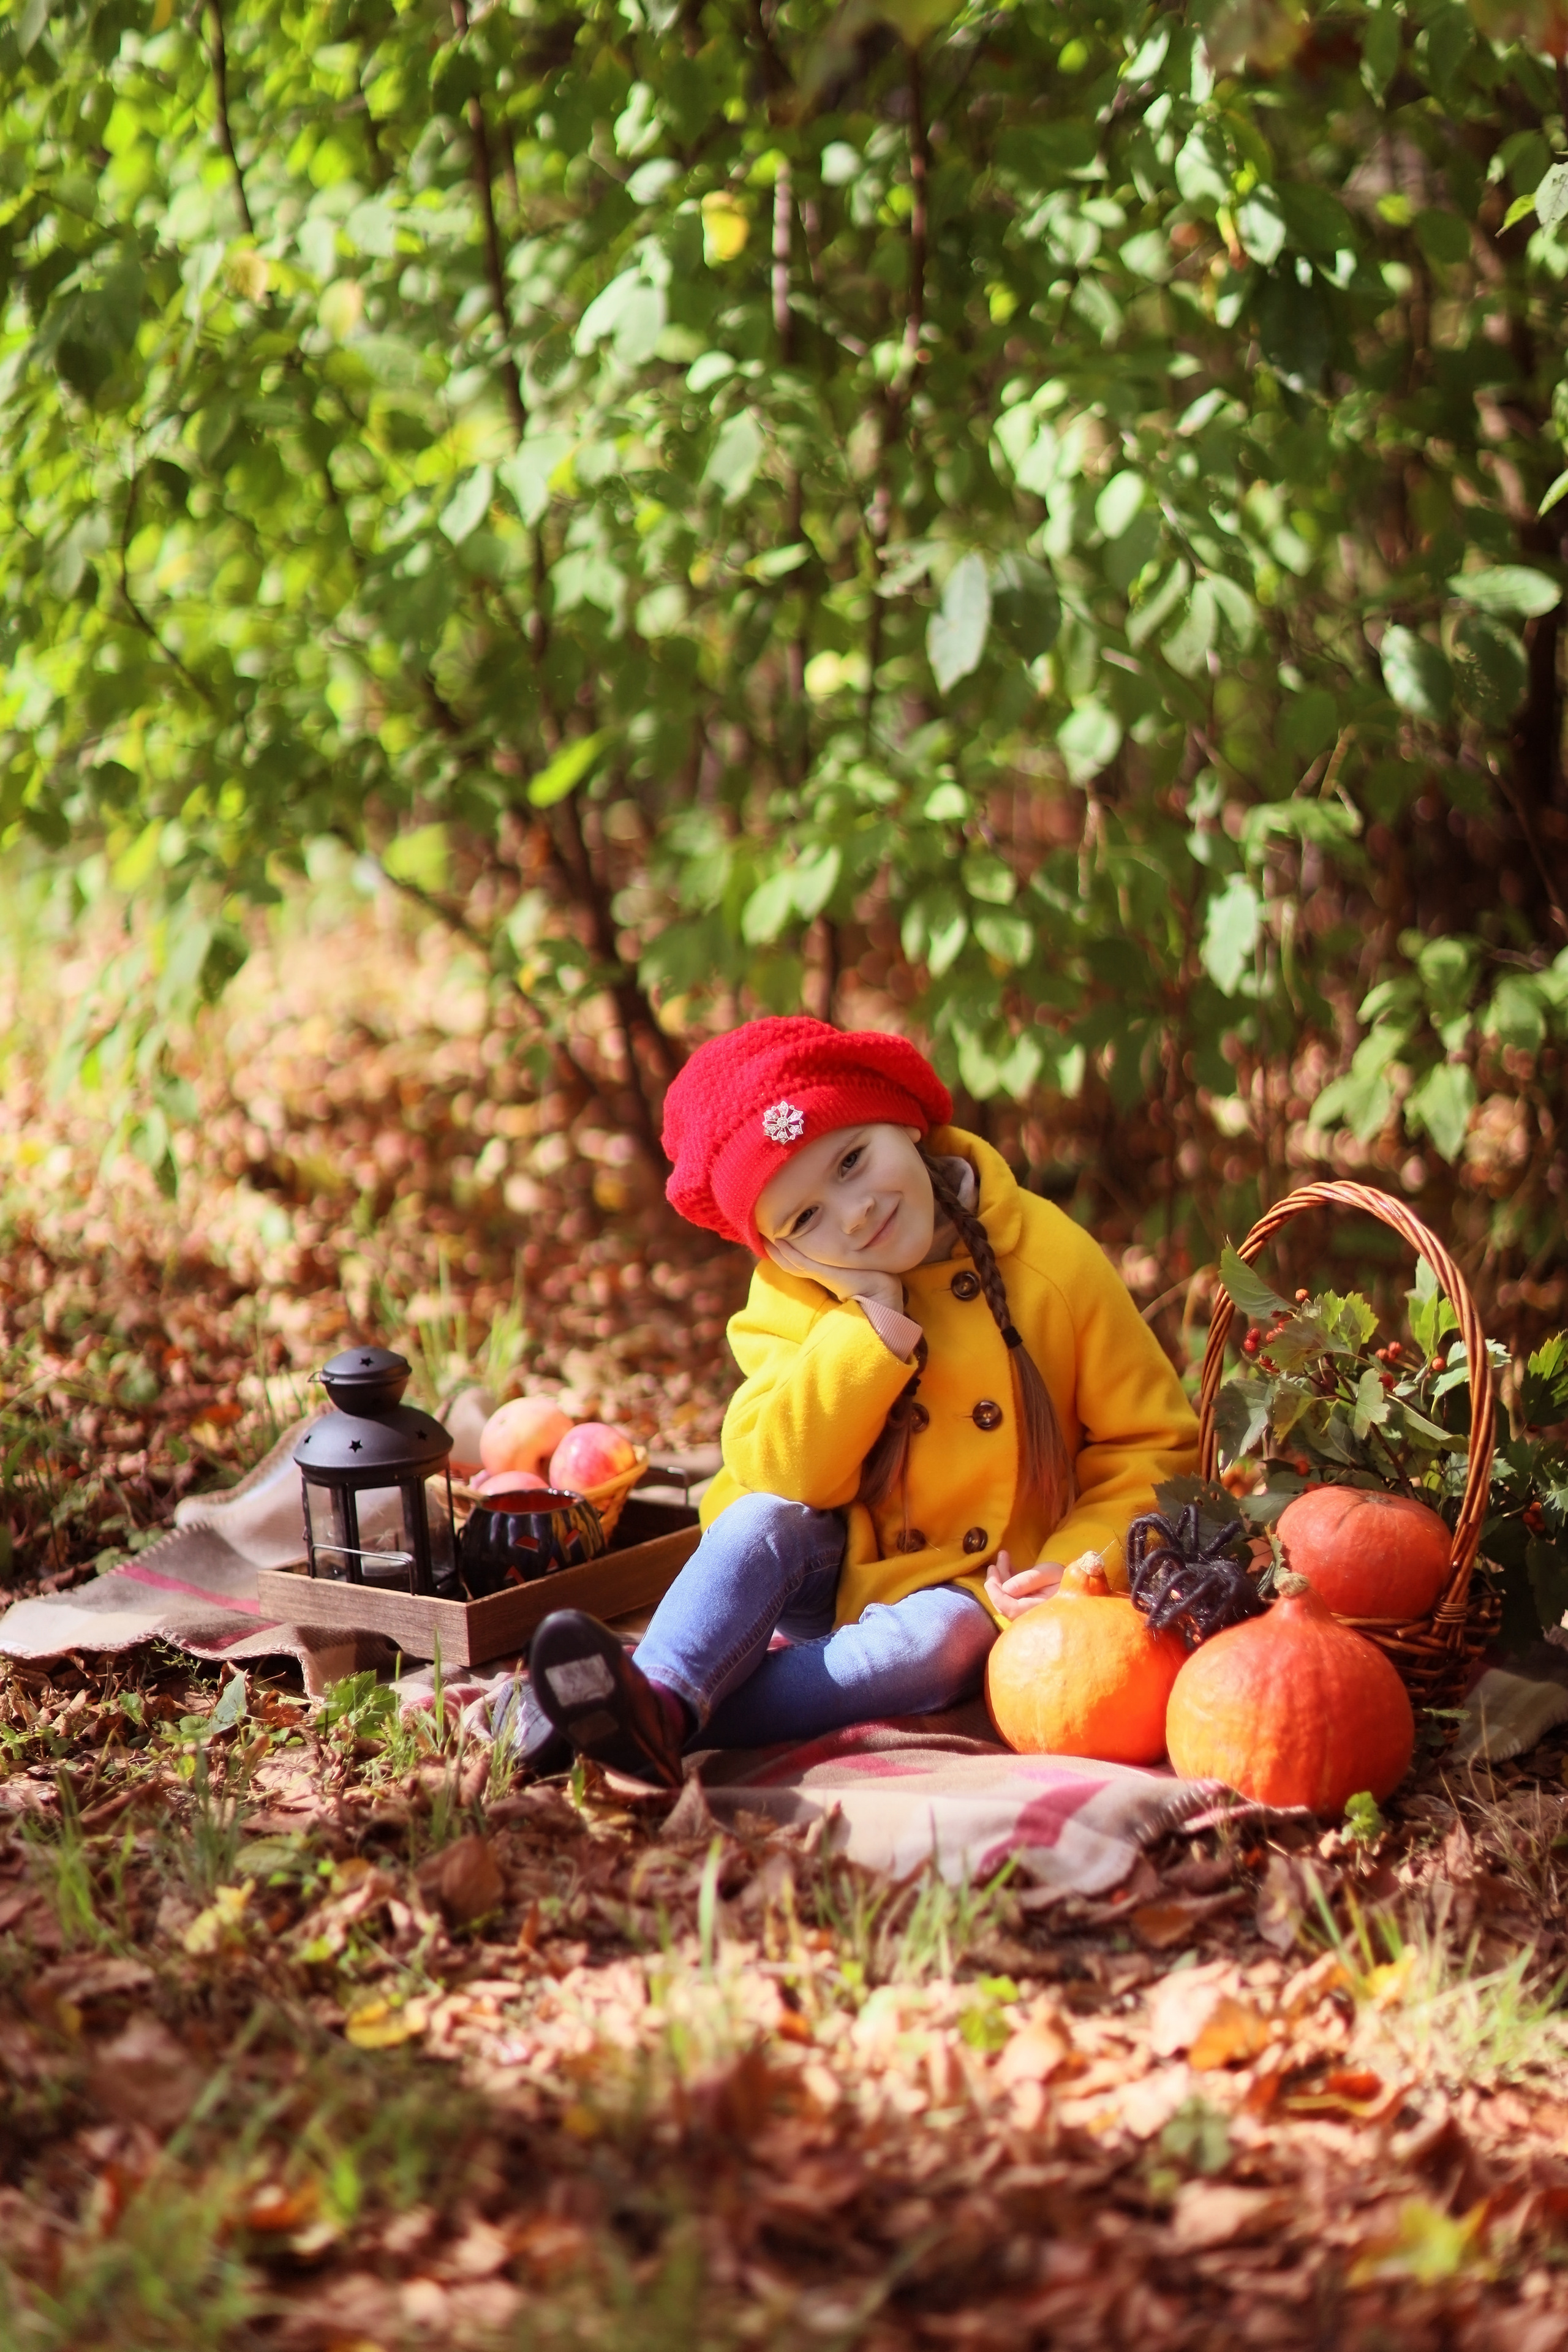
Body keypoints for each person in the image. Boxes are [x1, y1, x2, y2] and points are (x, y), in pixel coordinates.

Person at [525, 1016, 1199, 1787]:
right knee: (755, 1523)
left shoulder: (1050, 1262)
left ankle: (654, 1710)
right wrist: (865, 1327)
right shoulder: (794, 1294)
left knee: (935, 1647)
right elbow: (786, 1475)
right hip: (829, 1556)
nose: (852, 1214)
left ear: (905, 1124)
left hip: (979, 1579)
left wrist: (1074, 1566)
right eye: (804, 1217)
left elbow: (1152, 1447)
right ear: (775, 1248)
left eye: (852, 1160)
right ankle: (664, 1682)